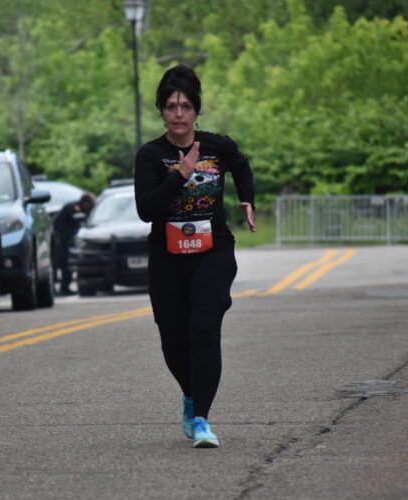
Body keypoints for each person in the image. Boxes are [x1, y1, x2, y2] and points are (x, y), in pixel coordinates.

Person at [134, 64, 255, 448]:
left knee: (204, 329)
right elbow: (146, 210)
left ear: (196, 110)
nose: (179, 114)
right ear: (161, 110)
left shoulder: (217, 147)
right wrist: (181, 175)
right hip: (168, 257)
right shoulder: (151, 155)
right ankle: (190, 396)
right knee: (173, 341)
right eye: (171, 106)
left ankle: (201, 418)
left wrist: (247, 199)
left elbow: (242, 165)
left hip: (212, 250)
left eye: (186, 106)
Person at [53, 192, 95, 295]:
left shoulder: (84, 209)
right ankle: (60, 288)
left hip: (69, 240)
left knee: (68, 263)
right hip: (60, 240)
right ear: (85, 202)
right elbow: (79, 218)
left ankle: (65, 288)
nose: (92, 206)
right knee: (62, 263)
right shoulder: (73, 207)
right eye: (91, 204)